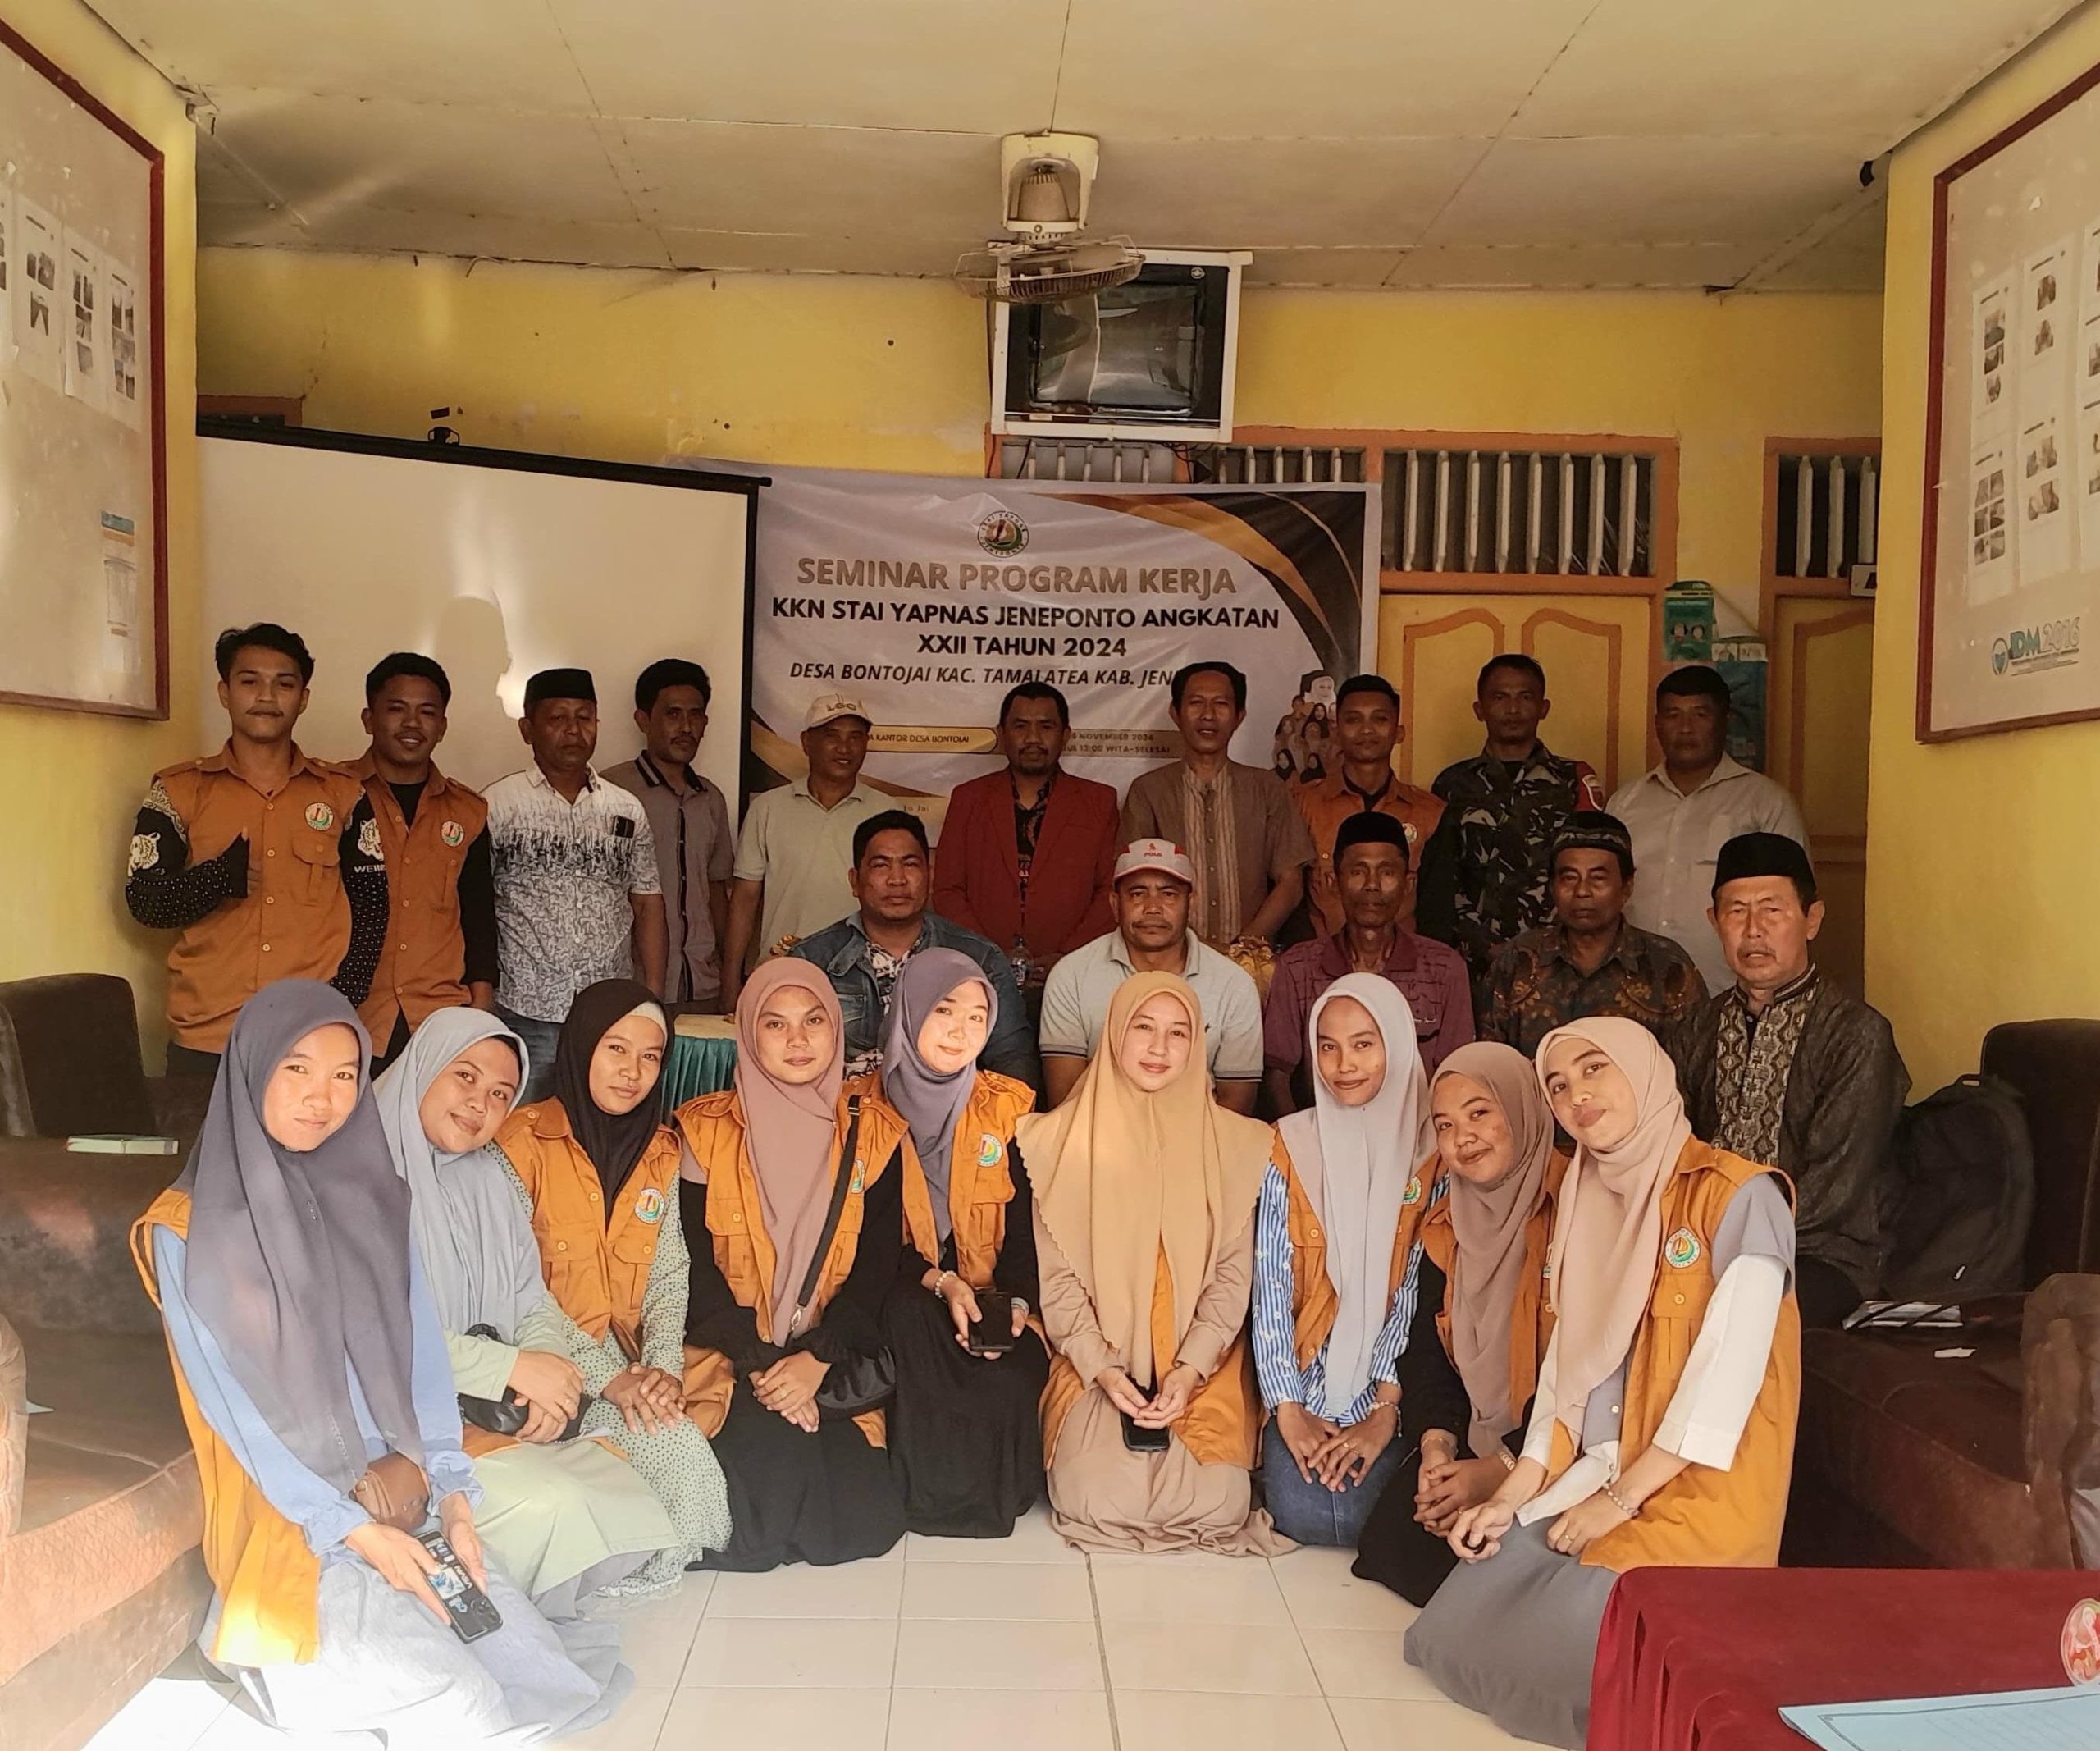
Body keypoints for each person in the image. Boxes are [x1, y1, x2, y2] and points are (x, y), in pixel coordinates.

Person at [130, 982, 628, 1741]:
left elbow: (421, 1360)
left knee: (539, 1673)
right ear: (251, 1069)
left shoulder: (374, 1200)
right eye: (297, 1069)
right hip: (295, 1519)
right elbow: (239, 1419)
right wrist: (356, 1534)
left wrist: (451, 1496)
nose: (322, 1097)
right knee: (459, 1702)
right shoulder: (186, 1231)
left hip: (400, 1497)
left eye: (344, 1075)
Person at [1404, 1018, 1801, 1749]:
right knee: (1453, 1626)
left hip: (1694, 1488)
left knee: (1585, 1661)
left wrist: (1616, 1504)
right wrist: (1511, 1498)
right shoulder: (1585, 1197)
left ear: (1645, 1071)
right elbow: (1566, 1379)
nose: (1576, 1096)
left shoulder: (1739, 1196)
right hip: (1600, 1468)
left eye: (1594, 1070)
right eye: (1557, 1085)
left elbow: (1727, 1381)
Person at [373, 1008, 681, 1609]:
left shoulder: (485, 1176)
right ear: (423, 1068)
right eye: (465, 1077)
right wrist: (512, 1368)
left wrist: (548, 1372)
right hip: (401, 1422)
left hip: (489, 1405)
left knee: (625, 1487)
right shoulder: (359, 1182)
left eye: (500, 1094)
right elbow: (376, 1338)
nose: (480, 1104)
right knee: (556, 1503)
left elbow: (530, 1296)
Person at [1022, 972, 1287, 1554]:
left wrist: (1190, 1370)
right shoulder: (1055, 1143)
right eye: (1143, 1027)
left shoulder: (1240, 1144)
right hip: (1097, 1361)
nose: (1159, 1048)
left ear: (1198, 1044)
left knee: (1217, 1503)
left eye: (1178, 1032)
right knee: (1091, 1497)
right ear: (1114, 1032)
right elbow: (1058, 1284)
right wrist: (1102, 1369)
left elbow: (1232, 1280)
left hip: (1203, 1361)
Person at [491, 981, 732, 1586]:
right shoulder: (518, 1144)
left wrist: (661, 1371)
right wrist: (611, 1380)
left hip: (630, 1366)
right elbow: (519, 1292)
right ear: (581, 1047)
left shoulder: (661, 1151)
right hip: (546, 1366)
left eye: (651, 1056)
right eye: (616, 1049)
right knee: (666, 1457)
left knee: (687, 1451)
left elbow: (669, 1272)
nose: (633, 1072)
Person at [673, 962, 911, 1570]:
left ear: (837, 1030)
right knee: (759, 1509)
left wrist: (815, 1359)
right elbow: (691, 1268)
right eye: (775, 1024)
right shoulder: (702, 1132)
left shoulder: (874, 1135)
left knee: (863, 1518)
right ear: (749, 1033)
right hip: (733, 1356)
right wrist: (767, 1368)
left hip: (827, 1354)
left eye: (814, 1022)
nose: (798, 1040)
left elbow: (876, 1271)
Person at [1351, 1042, 1568, 1606]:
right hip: (1476, 1434)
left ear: (1522, 1108)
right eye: (1444, 1125)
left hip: (1561, 1448)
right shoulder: (1448, 1221)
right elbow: (1427, 1349)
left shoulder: (1575, 1209)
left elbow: (1583, 1376)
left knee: (1504, 1572)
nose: (1462, 1137)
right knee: (1396, 1543)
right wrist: (1439, 1450)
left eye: (1479, 1113)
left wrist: (1501, 1466)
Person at [1668, 832, 1908, 1328]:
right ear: (1714, 922)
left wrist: (1736, 1245)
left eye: (1772, 910)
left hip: (1821, 1253)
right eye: (1736, 912)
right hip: (1701, 1240)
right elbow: (1672, 1149)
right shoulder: (1695, 1028)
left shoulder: (1855, 1034)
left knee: (1733, 1313)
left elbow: (1835, 1186)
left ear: (1811, 919)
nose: (1753, 930)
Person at [126, 624, 386, 1075]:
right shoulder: (179, 790)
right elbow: (144, 901)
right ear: (224, 693)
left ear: (303, 698)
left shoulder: (343, 794)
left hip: (310, 1031)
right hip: (208, 1031)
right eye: (249, 681)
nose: (267, 696)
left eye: (284, 684)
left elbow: (372, 904)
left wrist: (343, 995)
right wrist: (213, 880)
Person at [1253, 976, 1433, 1545]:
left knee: (1359, 1512)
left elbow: (1416, 1292)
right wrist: (1287, 1405)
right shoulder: (1288, 1144)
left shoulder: (1435, 1153)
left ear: (1397, 1045)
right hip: (1305, 1380)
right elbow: (1270, 1285)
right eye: (1327, 1046)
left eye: (1363, 1044)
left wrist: (1385, 1408)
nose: (1343, 1065)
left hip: (1393, 1388)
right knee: (1308, 1511)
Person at [878, 949, 1048, 1537]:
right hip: (904, 1289)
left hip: (994, 1298)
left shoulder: (1008, 1110)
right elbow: (863, 1244)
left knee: (1007, 1372)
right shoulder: (862, 1110)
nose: (961, 1030)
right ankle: (928, 1494)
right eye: (944, 1010)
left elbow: (1027, 1234)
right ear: (909, 1010)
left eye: (978, 1017)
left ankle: (988, 1494)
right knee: (912, 1324)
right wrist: (942, 1283)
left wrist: (1016, 1305)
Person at [484, 670, 667, 1104]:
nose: (573, 730)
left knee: (597, 1125)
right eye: (557, 718)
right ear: (527, 728)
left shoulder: (626, 809)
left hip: (608, 1014)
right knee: (520, 1130)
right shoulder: (497, 805)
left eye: (585, 718)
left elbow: (647, 903)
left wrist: (653, 995)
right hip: (524, 1012)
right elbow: (471, 908)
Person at [788, 810, 1039, 1088]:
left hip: (952, 1112)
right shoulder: (812, 960)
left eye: (910, 865)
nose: (897, 879)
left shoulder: (979, 958)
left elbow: (1013, 1061)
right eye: (881, 866)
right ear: (855, 881)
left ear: (930, 876)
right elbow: (786, 1062)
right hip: (840, 1110)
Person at [1417, 655, 1605, 1009]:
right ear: (1480, 709)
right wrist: (1479, 944)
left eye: (1525, 697)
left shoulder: (1571, 779)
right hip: (1469, 965)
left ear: (1544, 707)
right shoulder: (1452, 783)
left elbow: (1588, 871)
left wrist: (1544, 943)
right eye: (1500, 697)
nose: (1513, 709)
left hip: (1556, 964)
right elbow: (1440, 881)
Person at [1607, 666, 1809, 991]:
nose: (1685, 728)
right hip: (1633, 988)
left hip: (1728, 990)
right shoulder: (1625, 803)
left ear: (1725, 720)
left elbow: (1795, 902)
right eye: (1673, 715)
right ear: (1657, 724)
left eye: (1700, 715)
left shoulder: (1765, 802)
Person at [1263, 813, 1473, 1113]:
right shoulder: (1298, 968)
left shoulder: (1445, 968)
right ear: (1334, 882)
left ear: (1408, 884)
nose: (1372, 885)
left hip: (1418, 1136)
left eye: (1387, 872)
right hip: (1324, 1135)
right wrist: (1301, 1135)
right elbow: (1276, 1077)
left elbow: (1457, 1075)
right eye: (1358, 872)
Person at [1038, 840, 1264, 1113]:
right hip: (1095, 1136)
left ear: (1191, 903)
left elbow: (1236, 1108)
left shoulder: (1234, 985)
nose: (1152, 907)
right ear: (1114, 903)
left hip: (1199, 1137)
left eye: (1169, 894)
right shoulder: (1071, 975)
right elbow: (1065, 1102)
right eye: (1137, 894)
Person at [350, 652, 497, 1069]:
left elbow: (478, 914)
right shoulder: (333, 795)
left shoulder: (467, 811)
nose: (412, 724)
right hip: (352, 1010)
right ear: (369, 719)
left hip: (440, 1014)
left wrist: (480, 1009)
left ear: (442, 726)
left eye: (427, 712)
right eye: (397, 709)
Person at [930, 681, 1120, 999]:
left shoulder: (1099, 802)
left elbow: (1110, 892)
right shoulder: (969, 798)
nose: (1033, 738)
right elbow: (948, 890)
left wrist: (1068, 957)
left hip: (1074, 978)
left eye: (1046, 726)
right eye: (1020, 726)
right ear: (1001, 734)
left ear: (1066, 735)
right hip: (981, 977)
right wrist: (989, 955)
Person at [1480, 812, 1706, 1058]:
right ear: (1553, 886)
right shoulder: (1519, 959)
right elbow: (1488, 1061)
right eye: (1569, 878)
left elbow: (1693, 1066)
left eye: (1598, 878)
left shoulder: (1667, 966)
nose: (1582, 891)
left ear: (1627, 887)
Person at [1121, 661, 1315, 946]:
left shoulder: (1268, 788)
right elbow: (1132, 883)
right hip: (1168, 957)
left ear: (1239, 716)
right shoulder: (1148, 791)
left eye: (1221, 703)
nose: (1208, 715)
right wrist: (1188, 950)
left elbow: (1291, 882)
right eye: (1196, 703)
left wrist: (1243, 947)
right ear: (1175, 713)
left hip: (1249, 959)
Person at [723, 693, 883, 1006]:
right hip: (780, 973)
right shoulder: (767, 808)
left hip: (861, 981)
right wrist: (730, 982)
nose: (845, 748)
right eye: (832, 736)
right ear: (806, 742)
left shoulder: (887, 814)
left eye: (855, 737)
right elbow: (744, 900)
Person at [603, 659, 735, 1013]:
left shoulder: (711, 798)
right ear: (643, 720)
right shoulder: (611, 792)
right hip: (629, 983)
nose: (686, 727)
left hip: (703, 984)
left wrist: (729, 975)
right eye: (673, 714)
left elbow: (717, 891)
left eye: (696, 715)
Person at [1294, 674, 1444, 936]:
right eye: (1353, 720)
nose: (1366, 730)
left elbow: (1436, 909)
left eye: (1380, 719)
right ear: (1336, 731)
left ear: (1399, 732)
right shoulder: (1302, 804)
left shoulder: (1430, 813)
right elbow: (1289, 896)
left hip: (1405, 958)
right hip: (1319, 956)